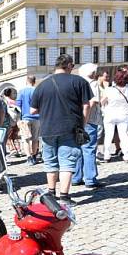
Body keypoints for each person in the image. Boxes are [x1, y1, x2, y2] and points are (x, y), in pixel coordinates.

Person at [29, 54, 91, 204]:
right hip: (70, 127)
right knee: (67, 163)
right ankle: (64, 196)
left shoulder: (42, 84)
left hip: (47, 128)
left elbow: (32, 110)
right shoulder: (79, 82)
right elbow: (87, 106)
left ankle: (50, 194)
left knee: (50, 162)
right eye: (73, 65)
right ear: (69, 65)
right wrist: (83, 123)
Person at [72, 63, 103, 188]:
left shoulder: (77, 83)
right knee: (89, 148)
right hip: (89, 120)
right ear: (93, 73)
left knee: (78, 148)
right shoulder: (93, 84)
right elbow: (91, 102)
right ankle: (90, 178)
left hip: (78, 119)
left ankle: (76, 177)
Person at [101, 66, 128, 162]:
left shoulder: (110, 89)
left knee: (108, 135)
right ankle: (127, 156)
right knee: (124, 135)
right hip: (123, 114)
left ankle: (107, 155)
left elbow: (102, 101)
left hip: (110, 114)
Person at [17, 76, 41, 165]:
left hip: (25, 118)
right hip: (37, 118)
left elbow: (18, 105)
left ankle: (29, 158)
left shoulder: (22, 91)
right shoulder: (37, 90)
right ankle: (34, 156)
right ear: (34, 82)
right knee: (35, 139)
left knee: (25, 139)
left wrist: (19, 118)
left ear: (26, 81)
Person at [2, 87, 22, 157]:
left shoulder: (5, 101)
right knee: (15, 136)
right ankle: (18, 150)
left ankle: (12, 149)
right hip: (16, 121)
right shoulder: (14, 101)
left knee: (8, 137)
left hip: (10, 121)